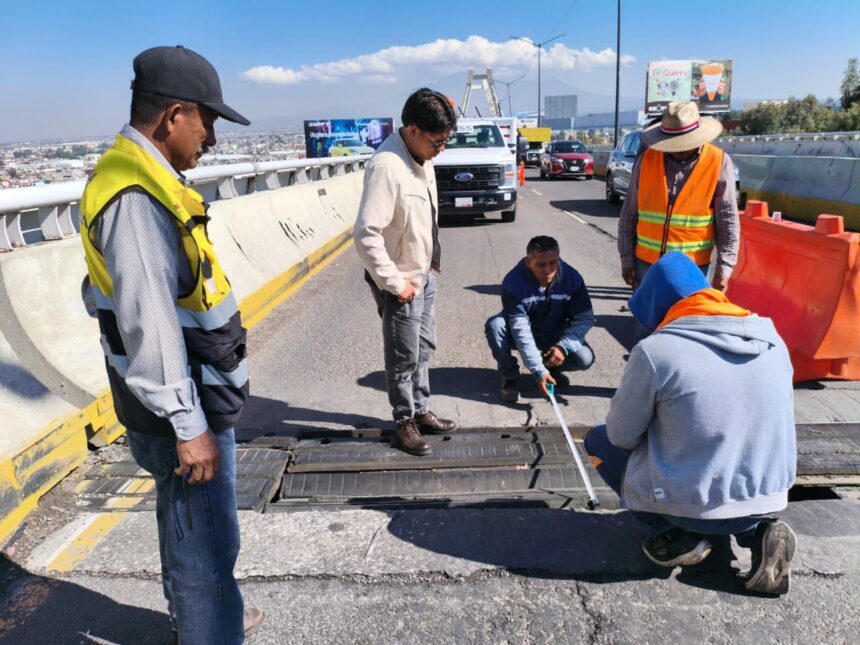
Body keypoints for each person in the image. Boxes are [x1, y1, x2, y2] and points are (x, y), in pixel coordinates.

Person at [79, 46, 263, 644]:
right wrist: (189, 425)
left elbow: (105, 293)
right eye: (207, 120)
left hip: (178, 396)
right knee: (207, 543)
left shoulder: (133, 177)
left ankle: (206, 614)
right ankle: (210, 624)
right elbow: (149, 322)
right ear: (173, 115)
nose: (212, 136)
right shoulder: (136, 199)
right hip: (185, 405)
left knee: (186, 526)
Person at [584, 252, 797, 595]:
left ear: (658, 305)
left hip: (690, 506)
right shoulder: (772, 339)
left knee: (598, 440)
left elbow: (621, 436)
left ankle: (677, 533)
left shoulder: (657, 350)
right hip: (767, 495)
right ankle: (759, 532)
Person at [354, 88, 459, 456]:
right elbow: (365, 234)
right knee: (403, 356)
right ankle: (404, 422)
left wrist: (431, 262)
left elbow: (425, 215)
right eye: (437, 141)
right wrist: (395, 284)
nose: (441, 149)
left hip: (423, 273)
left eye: (446, 141)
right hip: (401, 281)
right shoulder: (387, 167)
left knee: (423, 348)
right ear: (413, 130)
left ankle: (421, 409)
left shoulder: (422, 157)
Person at [617, 101, 739, 341]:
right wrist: (626, 258)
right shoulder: (647, 160)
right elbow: (629, 213)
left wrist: (724, 269)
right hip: (647, 266)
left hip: (692, 270)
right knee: (645, 332)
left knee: (686, 333)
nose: (678, 149)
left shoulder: (718, 162)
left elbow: (728, 222)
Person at [485, 236, 595, 402]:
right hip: (521, 332)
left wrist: (563, 347)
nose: (548, 270)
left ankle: (552, 368)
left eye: (553, 263)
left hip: (554, 333)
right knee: (495, 325)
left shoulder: (572, 278)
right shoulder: (513, 282)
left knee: (584, 358)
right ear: (528, 262)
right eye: (541, 265)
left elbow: (584, 318)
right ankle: (510, 376)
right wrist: (537, 371)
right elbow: (520, 330)